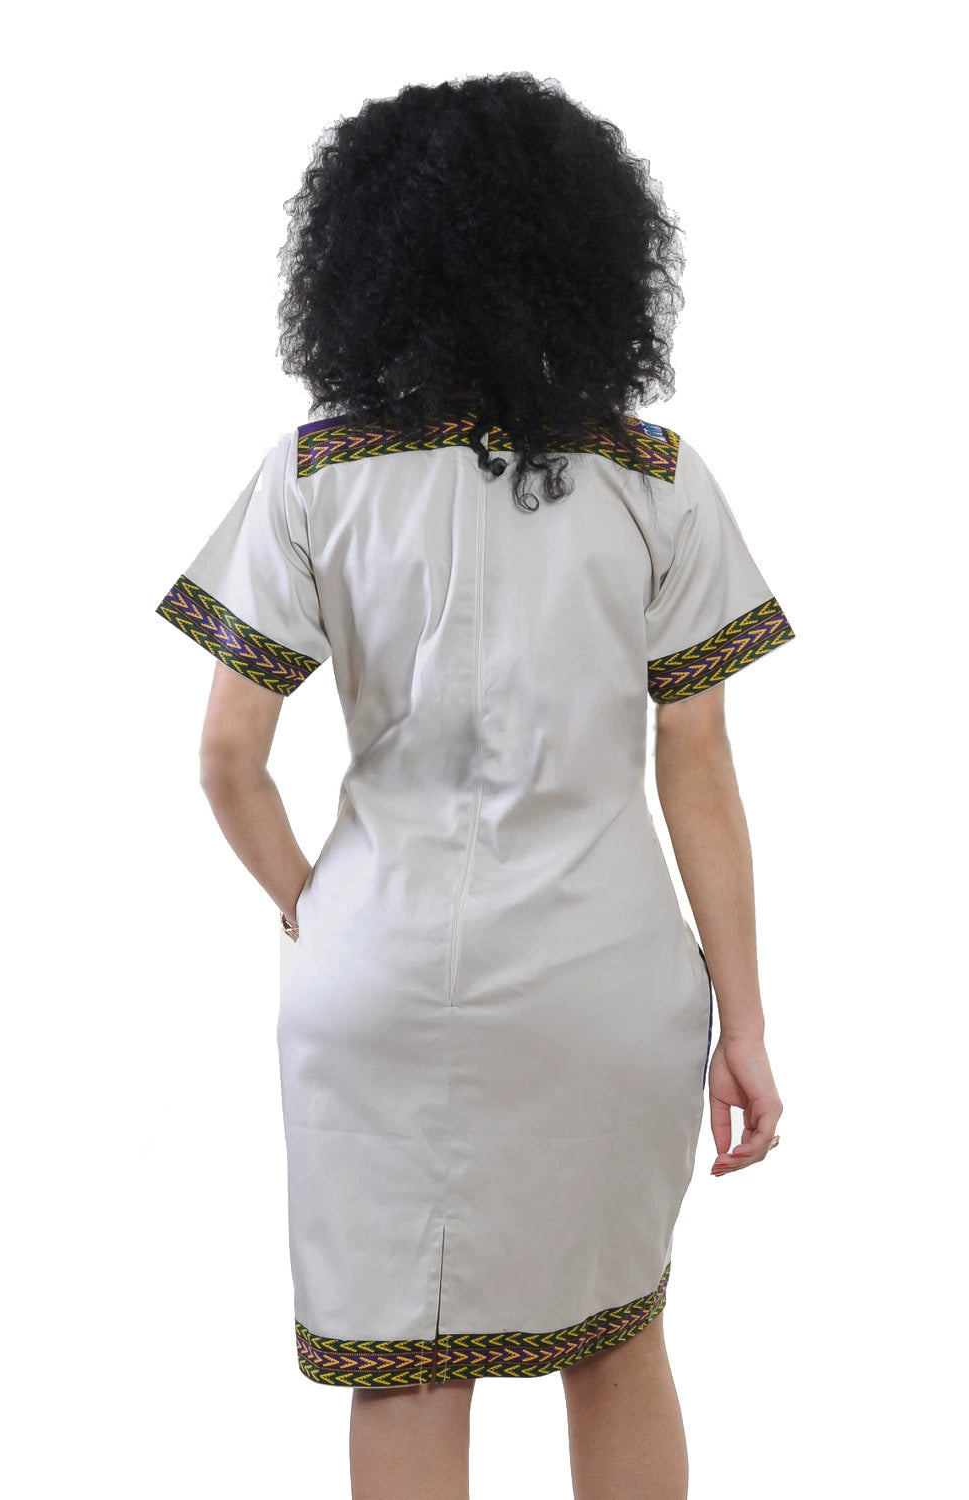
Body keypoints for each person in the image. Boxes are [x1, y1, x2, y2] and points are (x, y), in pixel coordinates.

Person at [154, 71, 791, 1500]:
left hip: (377, 975)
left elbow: (226, 757)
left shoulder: (315, 474)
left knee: (405, 1358)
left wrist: (310, 902)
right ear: (594, 251)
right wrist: (745, 1023)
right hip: (604, 980)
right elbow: (697, 767)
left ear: (361, 258)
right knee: (617, 1342)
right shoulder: (657, 477)